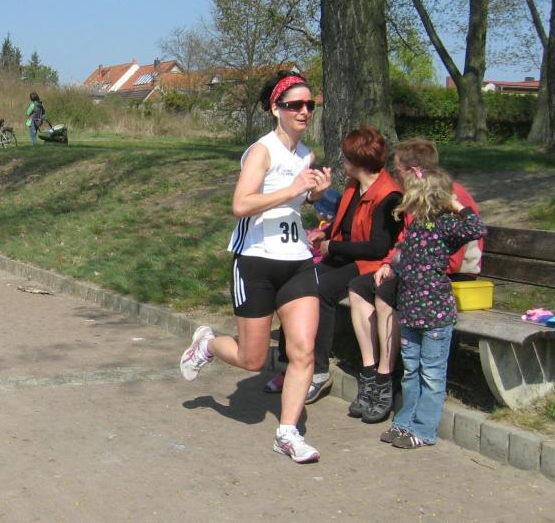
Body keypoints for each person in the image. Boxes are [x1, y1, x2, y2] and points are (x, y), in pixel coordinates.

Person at [179, 71, 332, 463]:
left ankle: (288, 433)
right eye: (294, 105)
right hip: (255, 261)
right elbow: (241, 204)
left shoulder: (306, 154)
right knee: (253, 359)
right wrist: (293, 189)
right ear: (276, 109)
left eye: (309, 105)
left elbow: (296, 203)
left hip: (296, 260)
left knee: (303, 350)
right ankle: (207, 345)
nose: (304, 111)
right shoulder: (261, 151)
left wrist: (314, 195)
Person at [345, 138, 483, 424]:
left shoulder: (443, 194)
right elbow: (406, 239)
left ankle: (385, 375)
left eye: (397, 170)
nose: (394, 176)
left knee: (385, 295)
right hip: (415, 268)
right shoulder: (415, 195)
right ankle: (370, 371)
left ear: (413, 170)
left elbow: (452, 250)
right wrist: (389, 263)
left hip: (442, 274)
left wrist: (403, 267)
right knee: (359, 287)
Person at [263, 127, 404, 406]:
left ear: (360, 162)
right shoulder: (353, 186)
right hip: (344, 255)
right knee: (294, 286)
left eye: (347, 157)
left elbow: (378, 247)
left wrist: (334, 247)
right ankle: (291, 363)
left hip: (369, 264)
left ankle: (318, 371)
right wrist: (324, 234)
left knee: (321, 290)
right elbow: (345, 227)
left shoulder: (389, 196)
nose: (342, 161)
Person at [378, 166, 486, 449]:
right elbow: (406, 259)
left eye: (411, 190)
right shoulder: (415, 226)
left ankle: (424, 431)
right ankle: (404, 422)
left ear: (426, 195)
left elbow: (477, 229)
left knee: (432, 374)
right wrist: (391, 266)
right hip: (411, 311)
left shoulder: (446, 224)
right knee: (410, 371)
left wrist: (457, 206)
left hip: (435, 314)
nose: (405, 194)